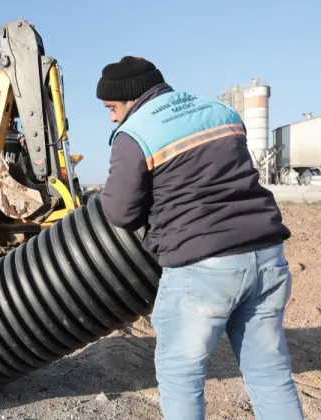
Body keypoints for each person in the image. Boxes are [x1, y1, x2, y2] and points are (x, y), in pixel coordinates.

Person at [96, 56, 304, 420]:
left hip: (205, 266)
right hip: (267, 256)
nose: (112, 117)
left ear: (130, 97)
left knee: (180, 375)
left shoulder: (136, 132)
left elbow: (121, 213)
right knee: (269, 374)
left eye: (112, 107)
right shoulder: (220, 111)